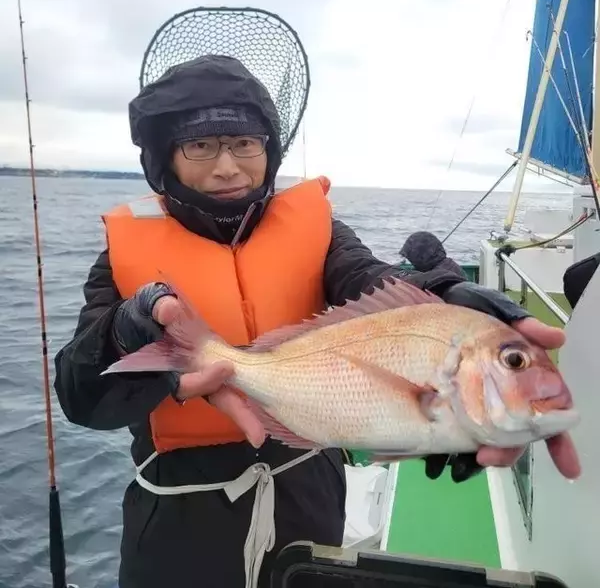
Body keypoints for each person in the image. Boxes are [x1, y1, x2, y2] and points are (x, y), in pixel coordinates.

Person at [53, 53, 579, 588]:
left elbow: (365, 278)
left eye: (244, 143)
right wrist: (131, 324)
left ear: (269, 149)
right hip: (177, 518)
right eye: (200, 146)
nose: (228, 166)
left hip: (307, 496)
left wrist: (442, 291)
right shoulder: (120, 260)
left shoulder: (319, 231)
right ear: (165, 159)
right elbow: (81, 400)